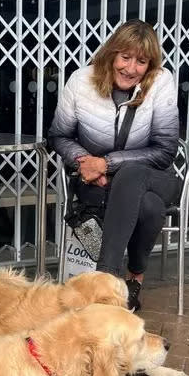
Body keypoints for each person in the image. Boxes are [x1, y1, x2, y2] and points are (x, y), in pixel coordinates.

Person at [48, 19, 180, 311]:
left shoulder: (161, 82)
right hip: (99, 186)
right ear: (111, 54)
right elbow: (58, 136)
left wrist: (105, 163)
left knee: (133, 175)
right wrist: (86, 164)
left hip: (156, 178)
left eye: (141, 61)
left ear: (151, 65)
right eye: (125, 57)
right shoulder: (81, 82)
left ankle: (105, 278)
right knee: (149, 207)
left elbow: (165, 150)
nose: (131, 69)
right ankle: (133, 280)